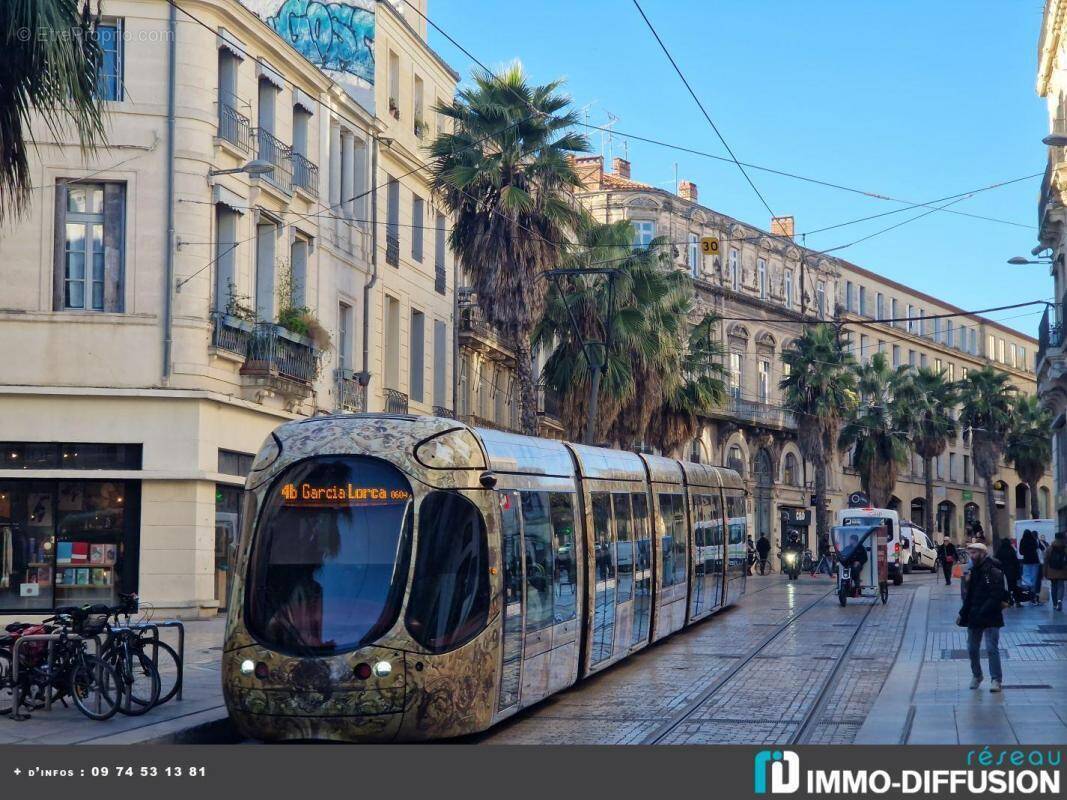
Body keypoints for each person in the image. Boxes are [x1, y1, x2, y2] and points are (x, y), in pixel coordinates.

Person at [958, 542, 1008, 692]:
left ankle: (996, 679)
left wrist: (982, 611)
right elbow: (969, 595)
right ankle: (977, 675)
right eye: (970, 553)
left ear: (983, 553)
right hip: (974, 614)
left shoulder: (993, 570)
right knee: (972, 648)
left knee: (992, 647)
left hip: (991, 615)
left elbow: (996, 595)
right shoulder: (972, 571)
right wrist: (962, 613)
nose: (972, 556)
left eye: (974, 553)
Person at [1044, 531, 1067, 612]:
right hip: (1062, 570)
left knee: (1053, 586)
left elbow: (1045, 561)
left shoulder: (1050, 548)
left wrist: (1045, 572)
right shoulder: (1065, 547)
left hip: (1051, 570)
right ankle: (1059, 601)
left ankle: (1054, 604)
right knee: (1061, 586)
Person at [995, 538, 1022, 606]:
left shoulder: (1000, 550)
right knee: (1014, 587)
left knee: (1005, 587)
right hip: (1012, 572)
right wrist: (1018, 572)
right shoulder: (1011, 550)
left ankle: (1008, 600)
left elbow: (996, 561)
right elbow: (1016, 561)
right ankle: (1017, 601)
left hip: (1002, 572)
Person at [1019, 529, 1042, 605]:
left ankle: (1029, 595)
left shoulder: (1023, 541)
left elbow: (1021, 552)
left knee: (1027, 578)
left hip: (1026, 561)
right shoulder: (1033, 540)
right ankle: (1034, 596)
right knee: (1034, 578)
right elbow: (1036, 548)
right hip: (1035, 561)